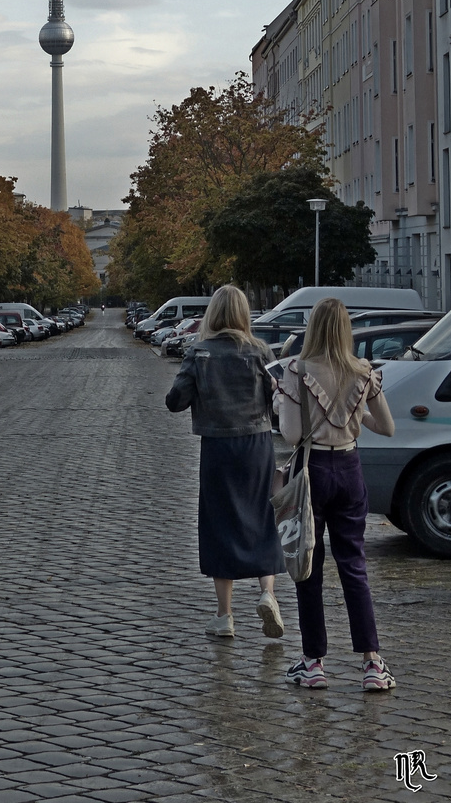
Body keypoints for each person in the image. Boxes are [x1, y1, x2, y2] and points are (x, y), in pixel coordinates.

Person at [273, 297, 396, 691]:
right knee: (354, 566)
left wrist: (280, 404)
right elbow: (387, 427)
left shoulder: (297, 370)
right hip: (349, 468)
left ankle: (314, 663)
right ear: (346, 330)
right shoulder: (363, 372)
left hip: (311, 471)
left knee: (307, 564)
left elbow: (292, 434)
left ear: (312, 329)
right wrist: (353, 415)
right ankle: (372, 664)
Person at [165, 285, 285, 640]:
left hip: (218, 448)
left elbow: (176, 400)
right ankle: (268, 592)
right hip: (257, 444)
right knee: (264, 515)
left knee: (220, 524)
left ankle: (225, 615)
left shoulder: (199, 352)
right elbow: (274, 396)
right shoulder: (261, 351)